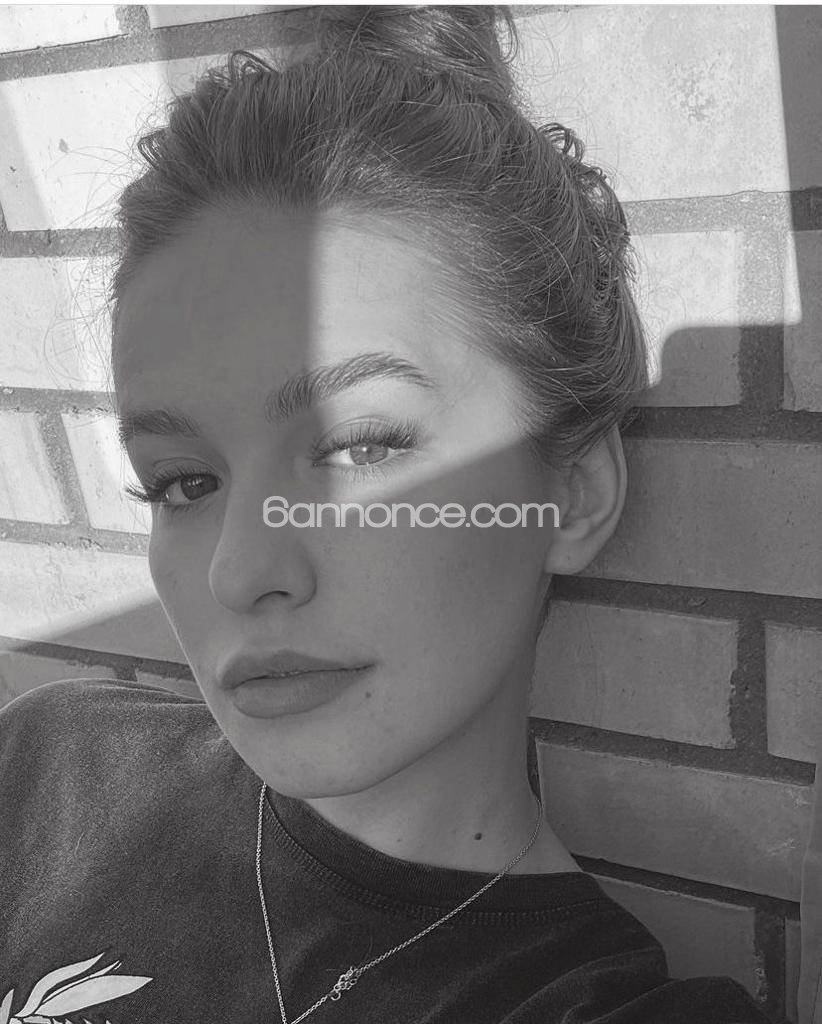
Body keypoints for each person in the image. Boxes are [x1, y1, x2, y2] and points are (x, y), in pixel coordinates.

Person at [0, 6, 783, 1023]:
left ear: (572, 492)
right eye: (185, 482)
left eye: (359, 445)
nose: (241, 571)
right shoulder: (50, 773)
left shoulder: (586, 1005)